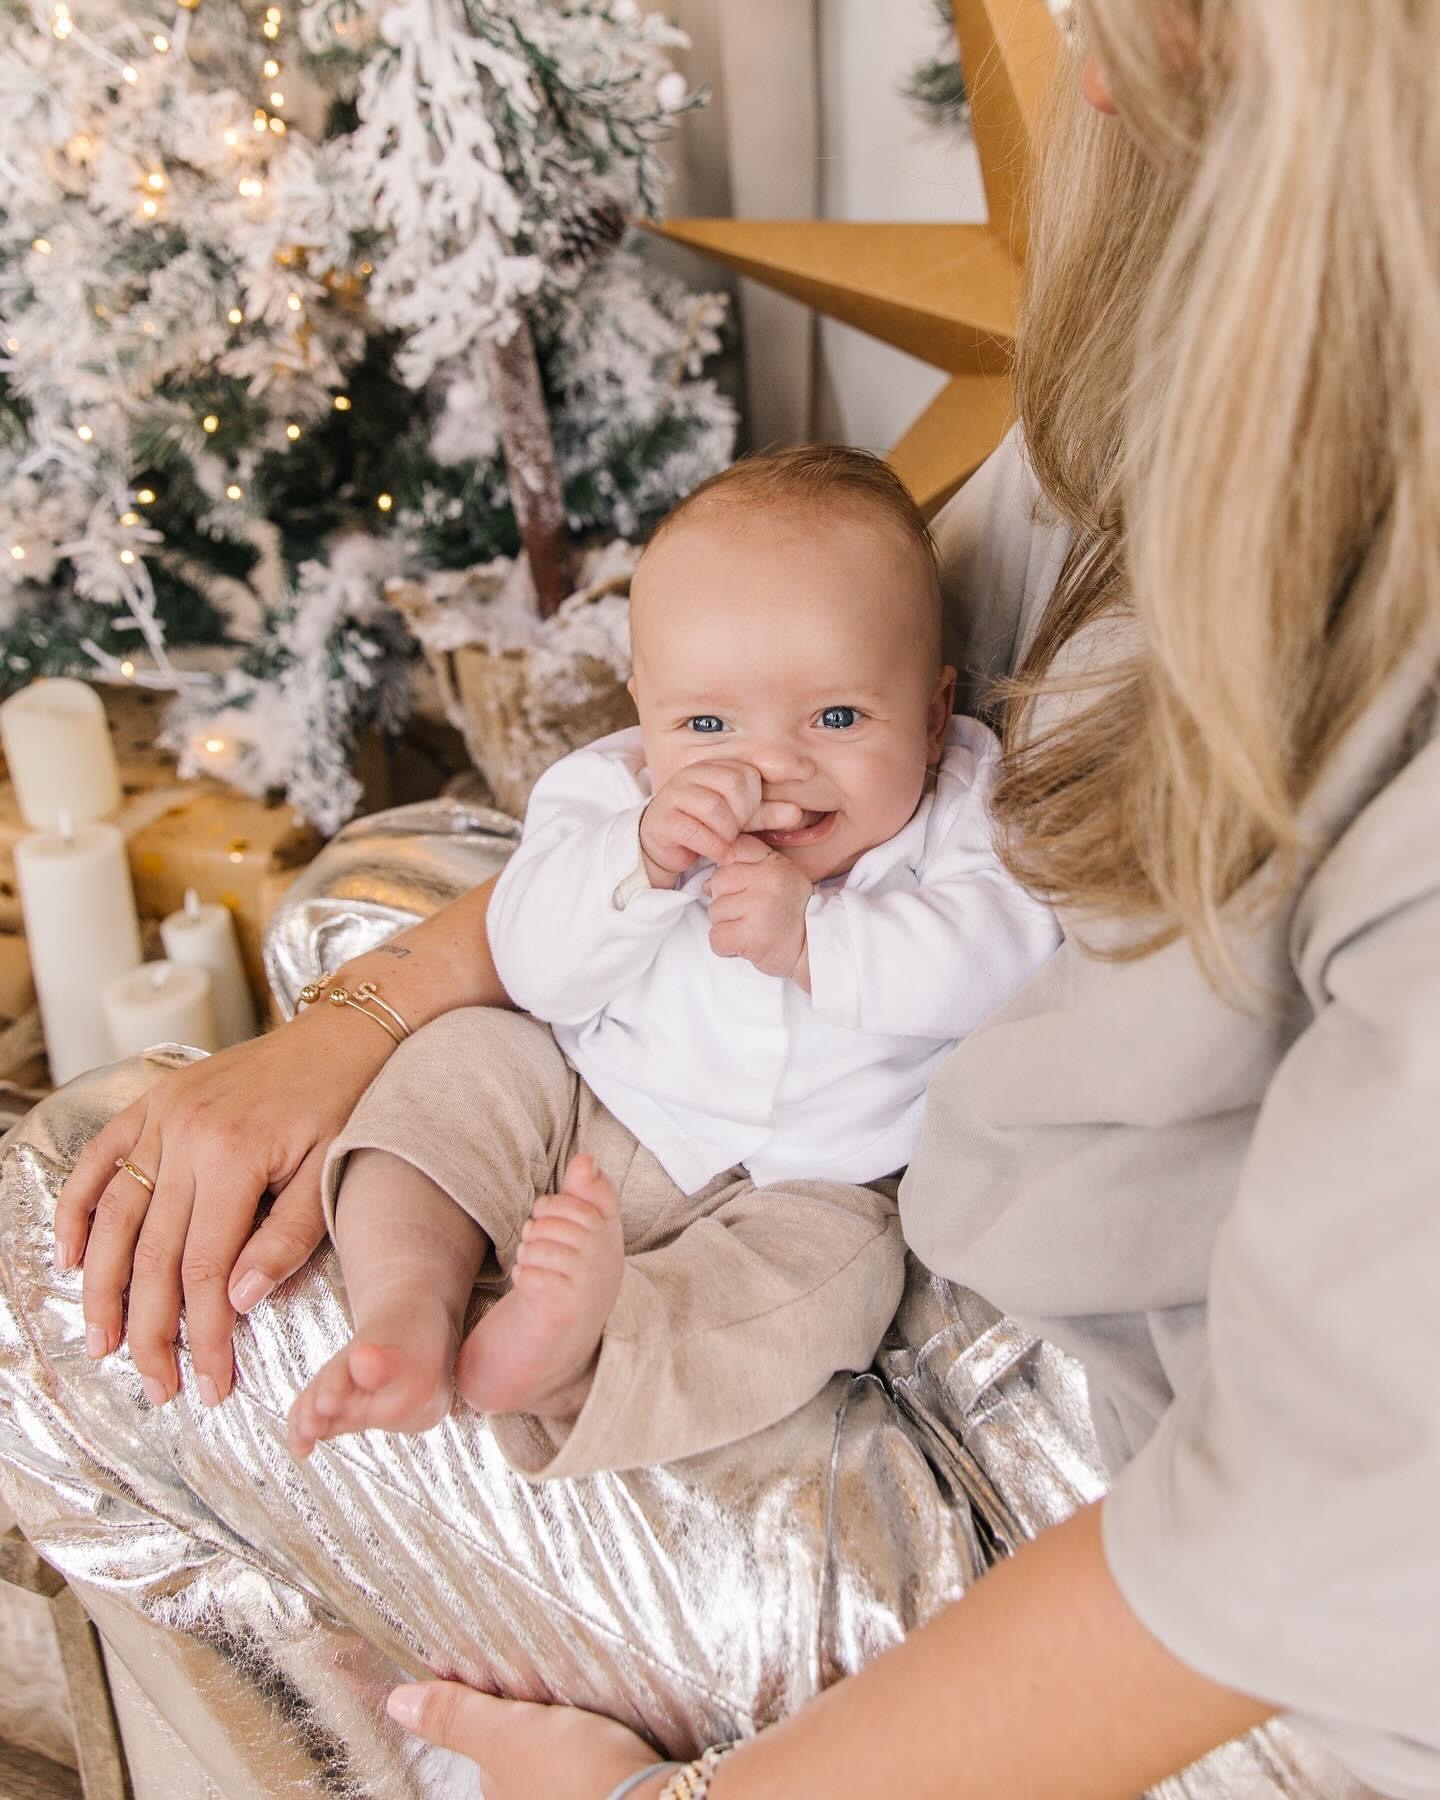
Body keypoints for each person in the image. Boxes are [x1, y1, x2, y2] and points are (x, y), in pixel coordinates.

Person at [26, 0, 1440, 1793]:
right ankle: (417, 1328)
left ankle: (509, 1522)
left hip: (1070, 1458)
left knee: (63, 1244)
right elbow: (718, 764)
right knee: (348, 924)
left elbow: (1299, 1537)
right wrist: (355, 1024)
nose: (1064, 49)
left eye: (1140, 12)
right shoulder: (1220, 309)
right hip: (889, 1150)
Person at [286, 448, 1057, 1472]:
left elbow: (1002, 962)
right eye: (706, 723)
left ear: (929, 712)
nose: (770, 765)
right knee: (459, 1063)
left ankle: (584, 1354)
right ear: (644, 712)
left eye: (836, 717)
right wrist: (639, 861)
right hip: (592, 1107)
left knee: (834, 1287)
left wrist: (820, 942)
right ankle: (403, 1307)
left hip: (809, 1181)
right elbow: (532, 962)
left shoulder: (966, 808)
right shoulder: (610, 797)